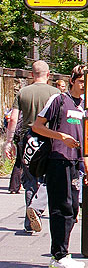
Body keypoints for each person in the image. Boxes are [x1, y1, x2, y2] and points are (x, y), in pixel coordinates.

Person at [31, 65, 88, 268]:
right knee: (62, 207)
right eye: (81, 81)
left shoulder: (84, 106)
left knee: (73, 208)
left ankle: (62, 253)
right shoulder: (58, 100)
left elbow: (84, 138)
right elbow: (37, 126)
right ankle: (59, 255)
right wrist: (61, 137)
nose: (84, 86)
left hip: (74, 161)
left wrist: (87, 165)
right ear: (72, 81)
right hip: (58, 158)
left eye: (87, 82)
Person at [6, 61, 59, 234]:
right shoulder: (56, 93)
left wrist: (9, 142)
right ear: (48, 74)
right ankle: (39, 209)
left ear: (31, 74)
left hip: (27, 139)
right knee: (48, 178)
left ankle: (30, 221)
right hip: (49, 138)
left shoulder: (23, 92)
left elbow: (13, 119)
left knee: (30, 180)